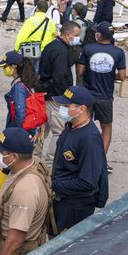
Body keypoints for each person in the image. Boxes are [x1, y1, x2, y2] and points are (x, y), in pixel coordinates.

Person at [0, 50, 40, 202]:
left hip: (18, 131)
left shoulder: (18, 87)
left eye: (6, 66)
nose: (5, 69)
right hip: (24, 130)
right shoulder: (25, 81)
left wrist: (14, 135)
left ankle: (4, 193)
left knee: (11, 161)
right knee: (10, 163)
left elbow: (20, 113)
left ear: (14, 67)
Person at [50, 86, 108, 232]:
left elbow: (87, 183)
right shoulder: (71, 125)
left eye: (66, 106)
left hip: (74, 207)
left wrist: (53, 185)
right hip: (61, 199)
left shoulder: (90, 140)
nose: (62, 109)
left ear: (81, 109)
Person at [77, 21, 126, 169]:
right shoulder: (118, 52)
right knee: (106, 128)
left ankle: (81, 159)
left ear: (98, 34)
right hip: (105, 98)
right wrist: (110, 74)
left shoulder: (88, 49)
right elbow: (123, 77)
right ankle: (100, 161)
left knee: (82, 126)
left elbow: (79, 72)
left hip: (87, 96)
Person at [39, 21, 82, 166]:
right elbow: (60, 78)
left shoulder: (51, 46)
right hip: (56, 98)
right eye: (76, 35)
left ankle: (34, 157)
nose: (77, 39)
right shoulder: (61, 52)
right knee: (58, 131)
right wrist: (67, 99)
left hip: (45, 95)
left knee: (42, 129)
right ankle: (51, 162)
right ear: (68, 35)